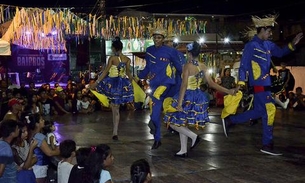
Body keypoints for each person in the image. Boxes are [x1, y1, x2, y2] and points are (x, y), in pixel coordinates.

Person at [222, 14, 303, 155]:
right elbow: (244, 66)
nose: (271, 34)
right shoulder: (250, 46)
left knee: (260, 112)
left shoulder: (269, 45)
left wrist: (292, 44)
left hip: (266, 85)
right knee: (270, 110)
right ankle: (267, 144)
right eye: (269, 31)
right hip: (258, 85)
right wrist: (241, 83)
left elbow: (281, 52)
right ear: (262, 30)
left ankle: (231, 121)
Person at [163, 41, 236, 157]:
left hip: (187, 95)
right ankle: (183, 150)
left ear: (189, 53)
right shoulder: (203, 66)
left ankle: (194, 137)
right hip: (198, 96)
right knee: (182, 122)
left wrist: (179, 103)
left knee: (172, 122)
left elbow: (184, 85)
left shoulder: (187, 66)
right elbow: (212, 84)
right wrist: (229, 91)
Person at [138, 28, 184, 149]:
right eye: (155, 37)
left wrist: (186, 79)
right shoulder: (149, 51)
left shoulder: (171, 51)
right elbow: (148, 67)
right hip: (154, 85)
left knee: (165, 104)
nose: (156, 40)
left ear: (163, 39)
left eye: (159, 38)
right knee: (154, 115)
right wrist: (139, 75)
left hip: (167, 84)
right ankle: (157, 139)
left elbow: (179, 68)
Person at [90, 37, 134, 141]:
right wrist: (132, 82)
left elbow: (105, 71)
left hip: (113, 83)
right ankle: (115, 131)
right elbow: (128, 72)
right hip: (122, 84)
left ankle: (115, 132)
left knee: (115, 108)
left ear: (114, 48)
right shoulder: (127, 59)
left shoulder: (112, 58)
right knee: (116, 109)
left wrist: (96, 83)